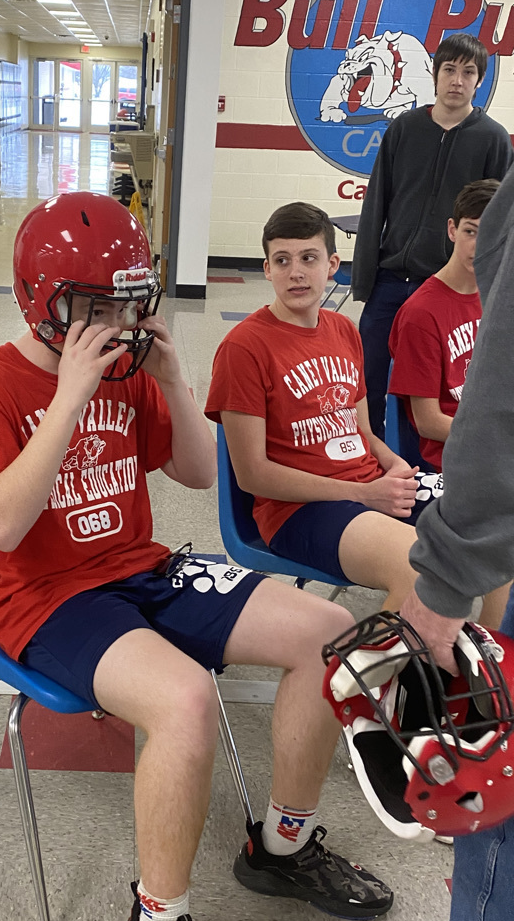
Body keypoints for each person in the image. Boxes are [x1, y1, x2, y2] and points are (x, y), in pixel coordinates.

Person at [0, 191, 393, 921]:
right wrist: (69, 396)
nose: (115, 324)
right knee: (185, 700)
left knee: (329, 635)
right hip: (46, 599)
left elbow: (193, 470)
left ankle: (283, 847)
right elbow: (2, 528)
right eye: (93, 308)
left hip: (145, 568)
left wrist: (174, 378)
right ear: (42, 303)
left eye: (126, 304)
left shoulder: (128, 371)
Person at [205, 201, 507, 627]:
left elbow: (363, 431)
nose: (296, 272)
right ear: (267, 269)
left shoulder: (344, 329)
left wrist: (394, 464)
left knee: (499, 524)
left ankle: (492, 655)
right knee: (420, 568)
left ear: (332, 265)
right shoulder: (243, 348)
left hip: (368, 484)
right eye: (283, 260)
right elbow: (253, 475)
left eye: (308, 258)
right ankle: (357, 671)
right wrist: (364, 495)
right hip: (299, 510)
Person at [398, 162, 514, 921]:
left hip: (476, 491)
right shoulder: (423, 310)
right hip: (434, 478)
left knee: (504, 840)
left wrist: (445, 579)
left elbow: (498, 406)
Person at [351, 33, 512, 440]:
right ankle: (371, 458)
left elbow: (497, 224)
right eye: (449, 70)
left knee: (429, 392)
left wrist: (489, 291)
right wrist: (364, 279)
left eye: (468, 72)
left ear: (480, 80)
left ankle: (416, 463)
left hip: (445, 287)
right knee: (368, 381)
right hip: (390, 280)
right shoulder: (404, 128)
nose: (457, 80)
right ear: (435, 74)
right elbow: (376, 203)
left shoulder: (492, 138)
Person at [388, 178, 499, 474]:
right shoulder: (421, 314)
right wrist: (496, 440)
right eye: (470, 231)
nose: (480, 245)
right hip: (456, 457)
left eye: (493, 232)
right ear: (452, 230)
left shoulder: (496, 296)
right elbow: (427, 422)